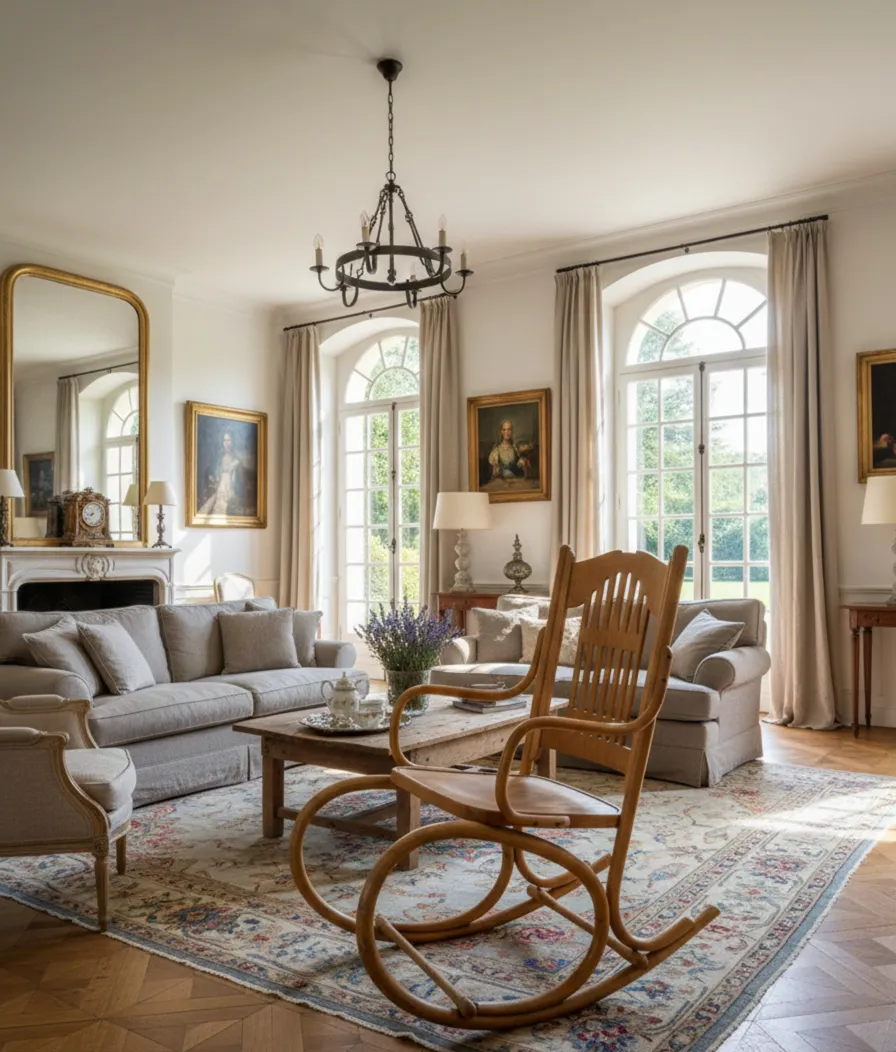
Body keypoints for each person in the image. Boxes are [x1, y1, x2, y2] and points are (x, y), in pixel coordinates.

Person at [198, 431, 246, 515]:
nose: (227, 443)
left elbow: (241, 483)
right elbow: (213, 475)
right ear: (222, 443)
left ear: (233, 441)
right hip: (220, 492)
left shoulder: (237, 461)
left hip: (231, 493)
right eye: (225, 440)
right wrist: (214, 481)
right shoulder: (219, 459)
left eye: (229, 440)